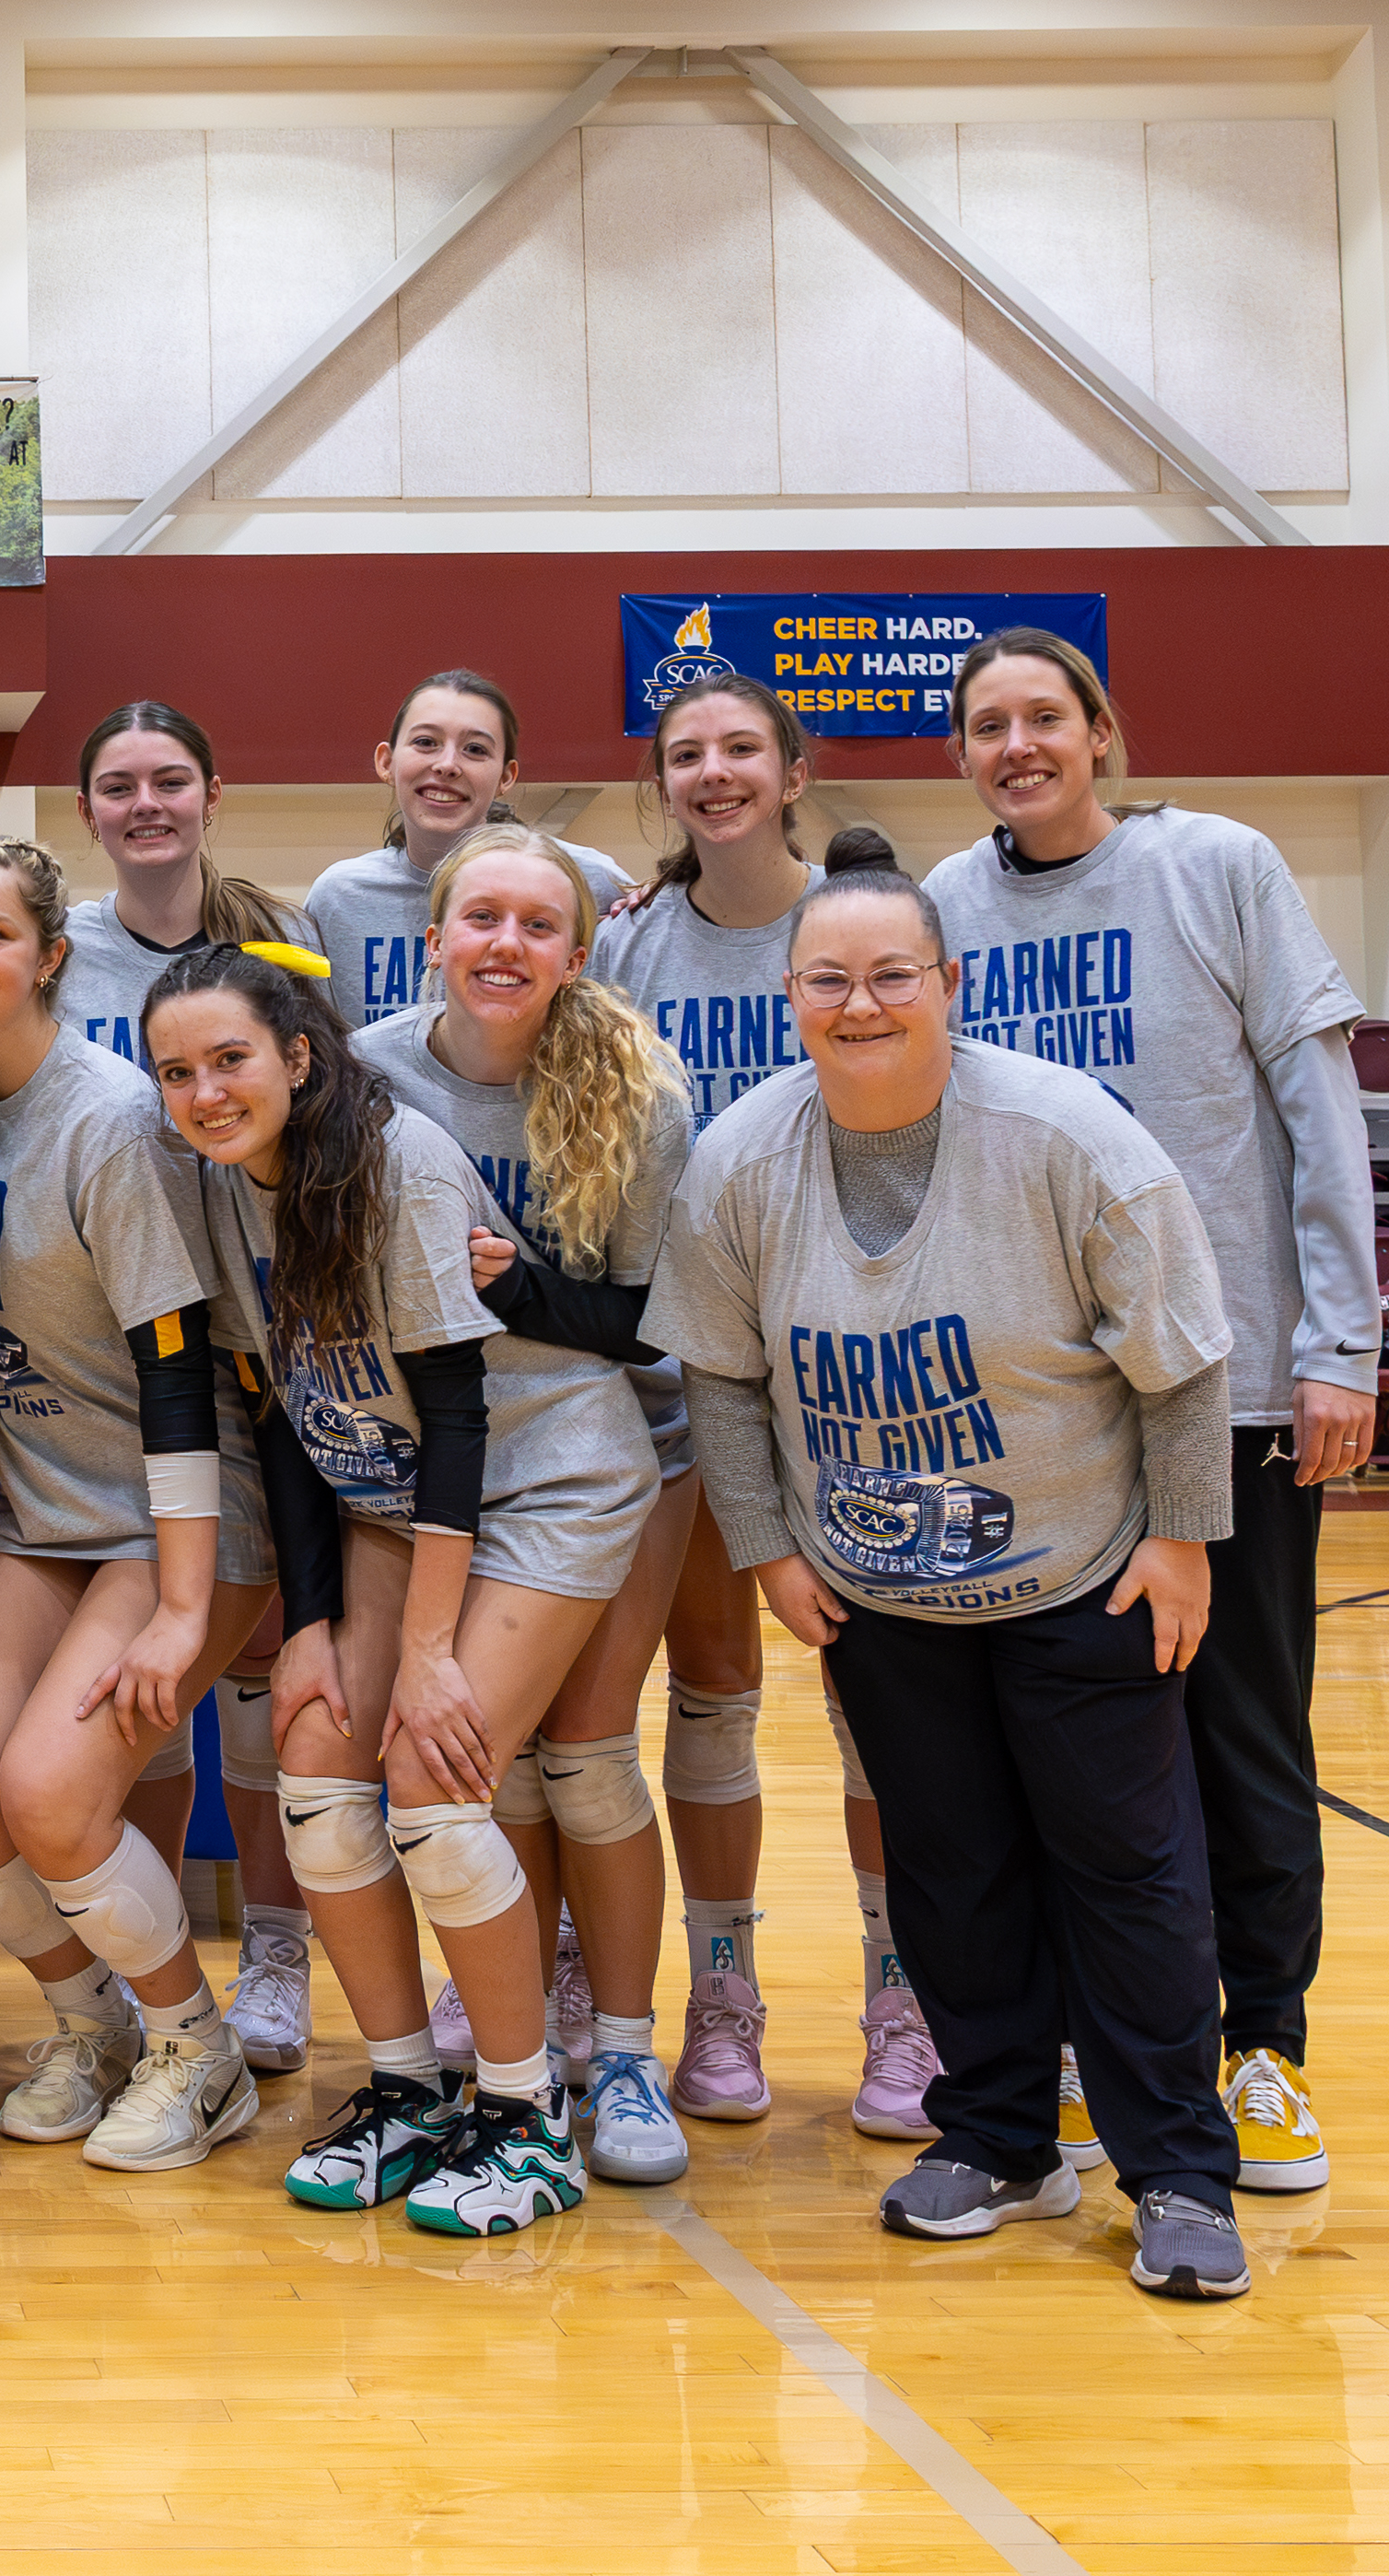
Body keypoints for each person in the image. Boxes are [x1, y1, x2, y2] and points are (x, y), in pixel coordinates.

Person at [647, 859, 1253, 2301]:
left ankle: (1174, 2168)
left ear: (948, 985)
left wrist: (1182, 1537)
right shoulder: (742, 1157)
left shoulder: (1065, 1135)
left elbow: (1183, 1351)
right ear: (789, 995)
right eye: (828, 980)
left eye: (890, 975)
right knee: (949, 1874)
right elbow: (721, 1379)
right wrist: (768, 1548)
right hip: (878, 1596)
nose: (860, 1005)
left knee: (1129, 1875)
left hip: (1083, 1574)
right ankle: (998, 2139)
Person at [925, 627, 1371, 2196]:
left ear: (1100, 730)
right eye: (983, 723)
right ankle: (1072, 2046)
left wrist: (1339, 1343)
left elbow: (1315, 1108)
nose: (1013, 742)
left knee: (1237, 1725)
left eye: (1041, 714)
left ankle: (1261, 2041)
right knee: (1068, 1748)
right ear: (958, 751)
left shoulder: (1216, 866)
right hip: (1038, 1408)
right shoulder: (940, 909)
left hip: (1225, 1381)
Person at [143, 939, 658, 2238]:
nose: (205, 1091)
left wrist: (426, 1654)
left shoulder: (399, 1163)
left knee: (435, 1777)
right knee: (315, 1758)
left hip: (540, 1480)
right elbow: (286, 1412)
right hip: (382, 1491)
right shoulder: (215, 1183)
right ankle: (405, 2088)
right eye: (177, 1072)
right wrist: (312, 1626)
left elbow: (460, 1409)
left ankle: (525, 2114)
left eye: (230, 1061)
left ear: (299, 1057)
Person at [0, 837, 323, 2175]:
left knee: (51, 1794)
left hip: (173, 1511)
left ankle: (197, 2051)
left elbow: (180, 1367)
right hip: (45, 1512)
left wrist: (188, 1602)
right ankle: (95, 2025)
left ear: (52, 957)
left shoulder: (107, 1117)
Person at [355, 827, 702, 2187]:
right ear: (434, 934)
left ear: (577, 951)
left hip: (618, 1446)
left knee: (592, 1753)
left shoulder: (636, 1092)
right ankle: (515, 2022)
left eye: (538, 925)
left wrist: (515, 1288)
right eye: (479, 917)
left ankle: (622, 2045)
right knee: (470, 1761)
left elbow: (659, 1318)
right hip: (430, 1463)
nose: (505, 944)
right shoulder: (367, 1071)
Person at [585, 680, 846, 2133]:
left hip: (849, 1358)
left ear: (794, 770)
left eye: (741, 748)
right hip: (686, 1363)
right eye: (688, 755)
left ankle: (901, 1998)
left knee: (878, 1713)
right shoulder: (626, 939)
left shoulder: (864, 915)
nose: (714, 772)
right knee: (707, 1687)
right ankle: (717, 1995)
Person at [58, 700, 328, 2068]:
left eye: (171, 778)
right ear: (89, 808)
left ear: (213, 791)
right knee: (139, 1694)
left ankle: (276, 1949)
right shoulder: (64, 955)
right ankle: (138, 1949)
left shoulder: (278, 941)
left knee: (260, 1662)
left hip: (260, 1353)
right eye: (120, 784)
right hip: (107, 1360)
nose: (147, 802)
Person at [300, 671, 627, 1030]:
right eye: (426, 742)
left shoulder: (585, 879)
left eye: (475, 749)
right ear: (386, 762)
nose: (447, 765)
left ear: (506, 776)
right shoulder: (339, 897)